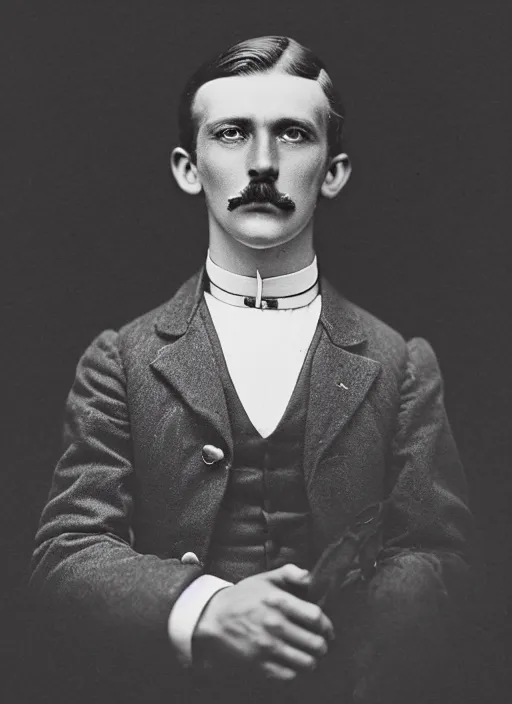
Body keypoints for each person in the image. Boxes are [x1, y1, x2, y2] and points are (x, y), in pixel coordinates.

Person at [30, 36, 474, 704]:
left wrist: (345, 648)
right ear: (188, 166)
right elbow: (66, 553)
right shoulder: (121, 360)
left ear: (333, 171)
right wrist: (203, 609)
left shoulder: (398, 363)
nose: (262, 164)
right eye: (232, 133)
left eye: (293, 135)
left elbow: (443, 561)